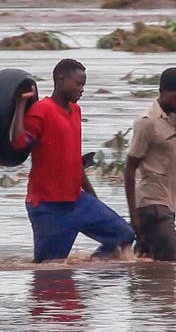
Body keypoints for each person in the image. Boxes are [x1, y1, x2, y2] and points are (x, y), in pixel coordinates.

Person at [11, 58, 134, 263]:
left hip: (78, 201)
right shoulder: (41, 111)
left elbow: (75, 161)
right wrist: (20, 104)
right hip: (48, 207)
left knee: (124, 236)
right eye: (78, 84)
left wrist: (94, 199)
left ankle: (90, 272)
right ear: (60, 80)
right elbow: (18, 142)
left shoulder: (76, 111)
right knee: (49, 270)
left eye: (83, 84)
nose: (82, 89)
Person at [124, 67, 176, 261]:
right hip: (152, 206)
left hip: (167, 205)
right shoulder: (147, 123)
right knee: (172, 265)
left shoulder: (174, 119)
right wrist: (133, 217)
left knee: (144, 265)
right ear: (162, 92)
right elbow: (129, 170)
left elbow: (171, 168)